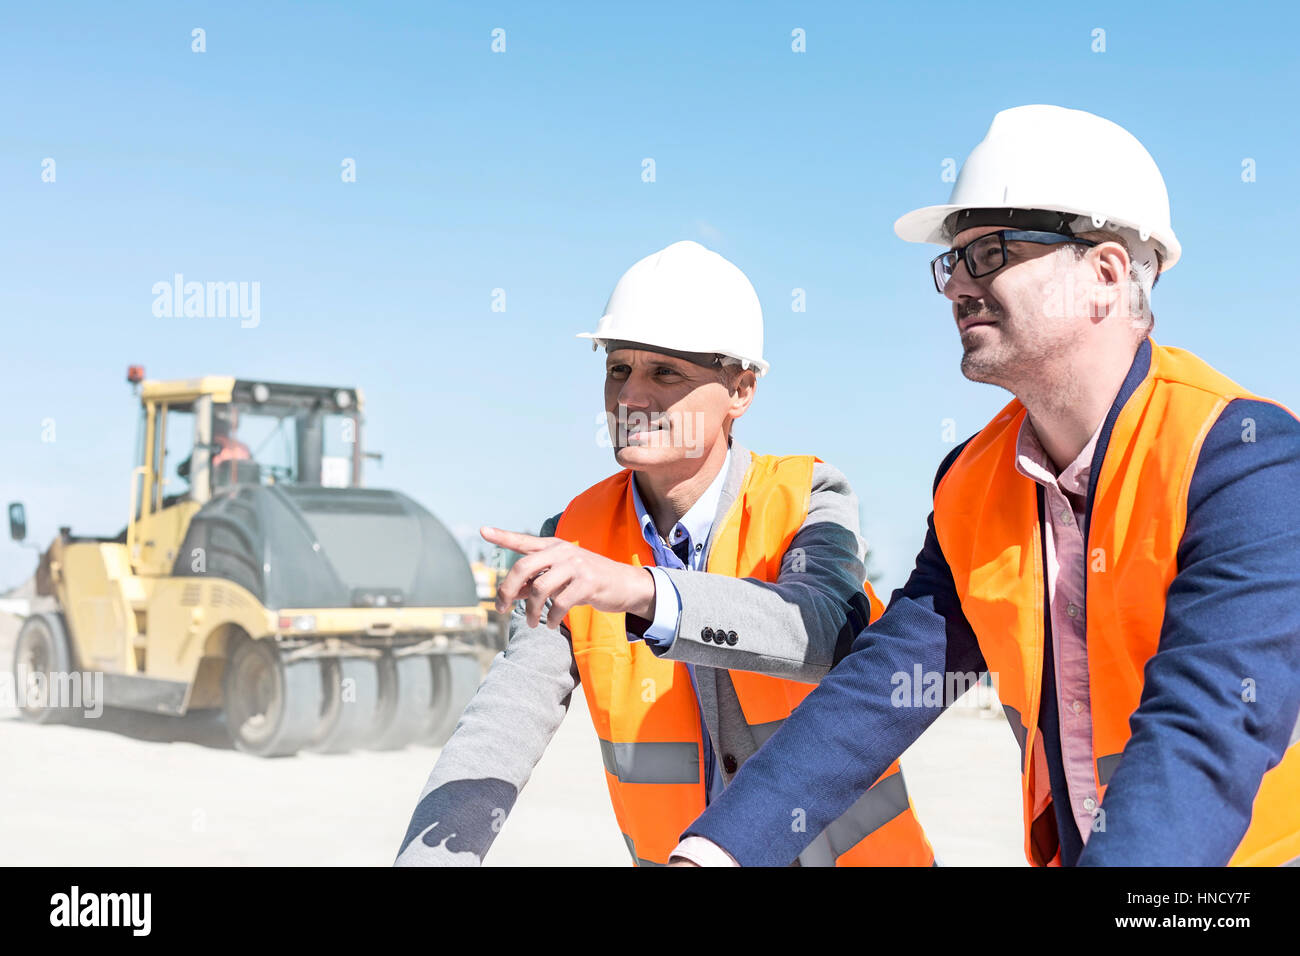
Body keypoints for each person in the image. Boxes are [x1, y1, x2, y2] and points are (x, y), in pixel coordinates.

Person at [672, 106, 1300, 867]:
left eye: (991, 253)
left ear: (1103, 275)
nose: (956, 287)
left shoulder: (1244, 461)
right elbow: (884, 687)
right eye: (954, 261)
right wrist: (716, 850)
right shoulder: (974, 483)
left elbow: (1203, 731)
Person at [394, 240, 935, 866]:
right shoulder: (576, 535)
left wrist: (642, 592)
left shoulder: (805, 496)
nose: (630, 397)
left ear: (742, 389)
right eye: (618, 369)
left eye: (665, 373)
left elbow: (826, 632)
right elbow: (504, 720)